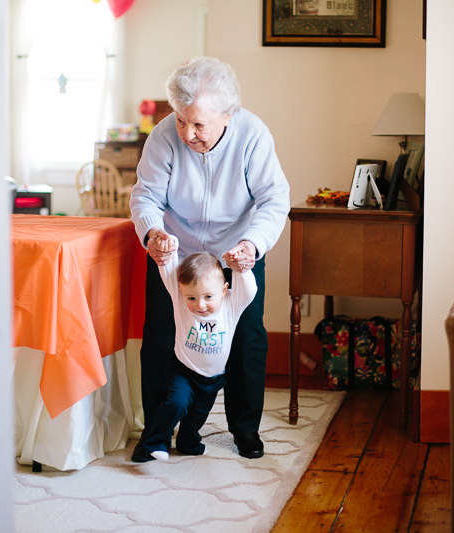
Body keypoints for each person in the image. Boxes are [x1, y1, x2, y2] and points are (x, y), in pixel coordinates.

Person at [130, 56, 290, 461]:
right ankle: (157, 432)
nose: (188, 133)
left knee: (247, 338)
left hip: (236, 253)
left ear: (228, 113)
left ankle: (245, 430)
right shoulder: (164, 135)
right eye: (182, 120)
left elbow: (274, 199)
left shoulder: (253, 134)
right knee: (163, 337)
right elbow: (146, 195)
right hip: (176, 252)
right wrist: (153, 233)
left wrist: (253, 244)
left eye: (199, 124)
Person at [140, 231, 257, 461]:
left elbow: (249, 290)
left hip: (212, 378)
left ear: (224, 291)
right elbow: (168, 270)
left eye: (208, 297)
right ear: (181, 292)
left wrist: (241, 269)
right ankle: (154, 442)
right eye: (191, 298)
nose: (200, 305)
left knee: (197, 415)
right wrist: (169, 246)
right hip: (182, 370)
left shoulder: (231, 306)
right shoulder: (179, 300)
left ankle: (188, 441)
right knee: (177, 403)